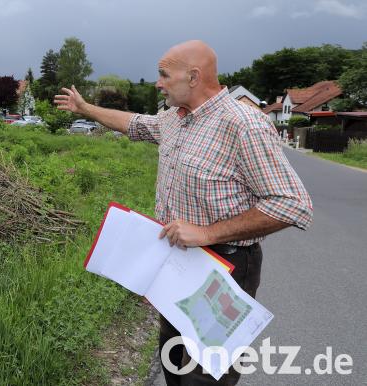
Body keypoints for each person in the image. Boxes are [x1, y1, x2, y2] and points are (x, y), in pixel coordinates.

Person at [54, 40, 312, 385]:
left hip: (226, 266)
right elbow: (134, 123)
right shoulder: (174, 119)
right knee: (173, 361)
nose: (158, 82)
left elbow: (292, 203)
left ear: (193, 76)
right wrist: (85, 108)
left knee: (204, 376)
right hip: (177, 264)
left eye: (163, 74)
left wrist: (207, 233)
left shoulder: (243, 125)